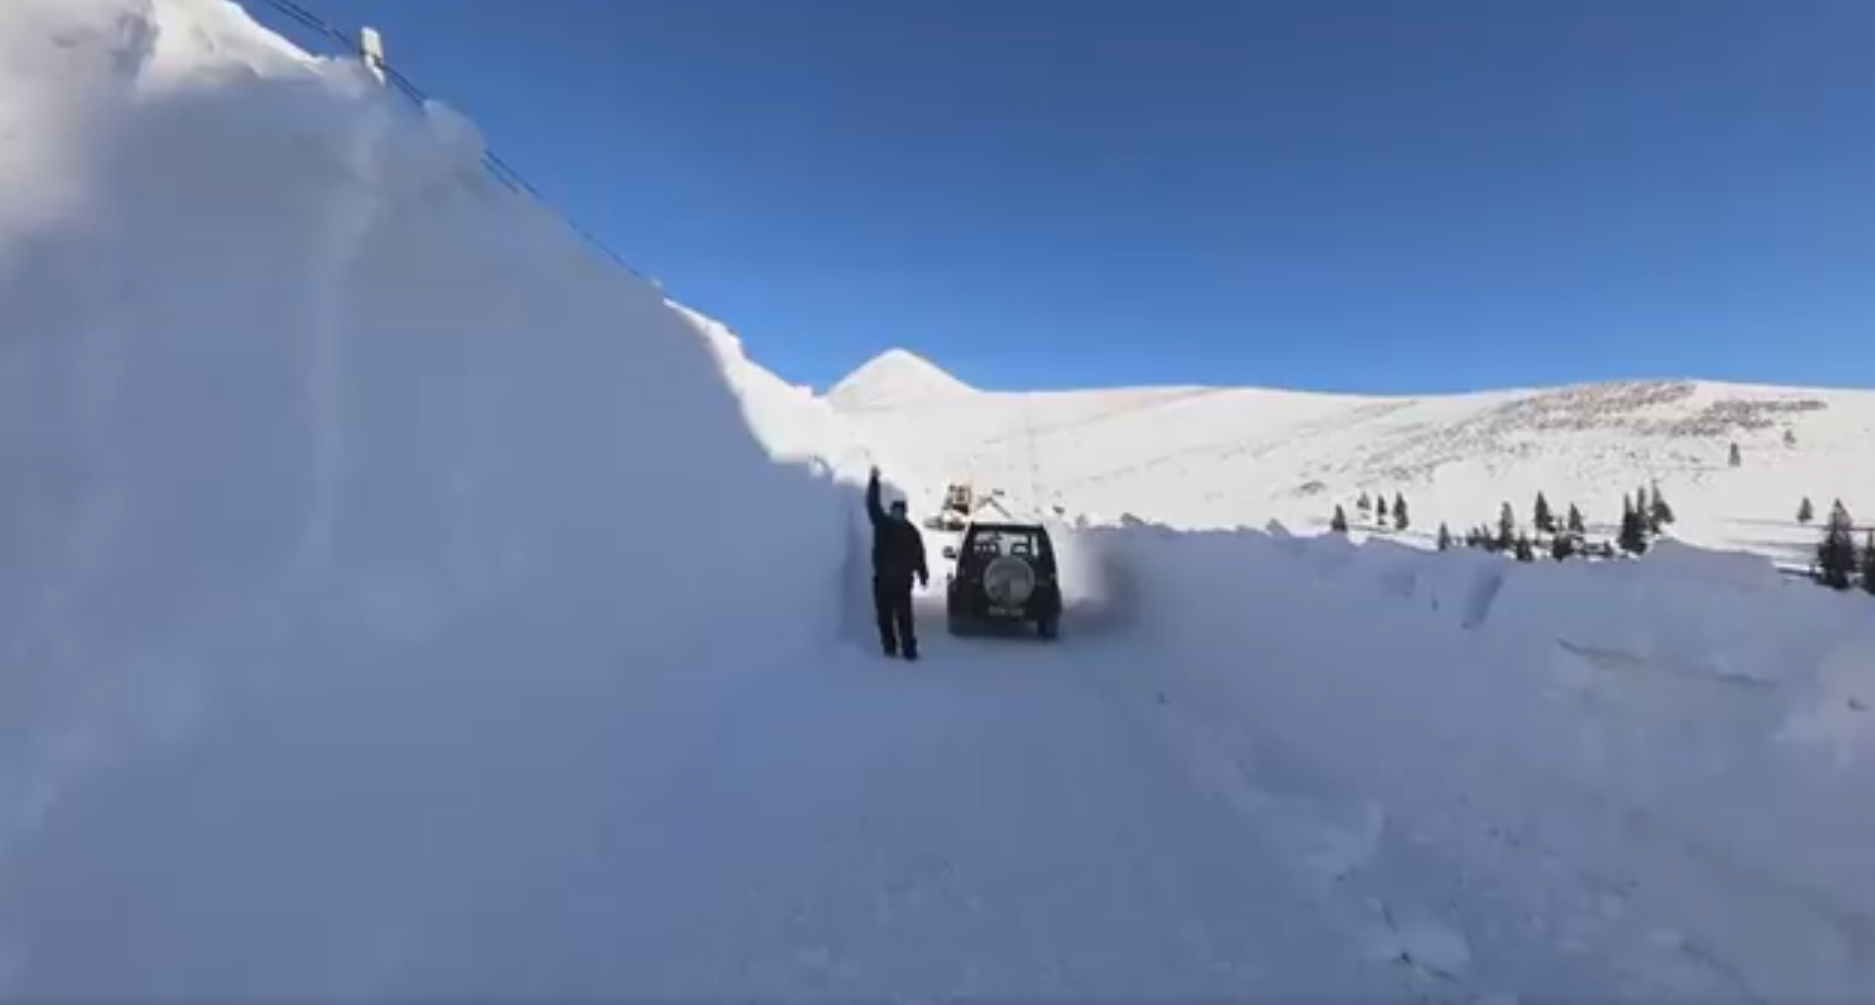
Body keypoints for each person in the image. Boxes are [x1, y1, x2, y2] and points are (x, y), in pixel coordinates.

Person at [865, 465, 929, 659]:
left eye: (900, 512)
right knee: (884, 617)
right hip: (883, 580)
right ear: (891, 511)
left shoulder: (911, 532)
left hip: (901, 582)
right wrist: (874, 481)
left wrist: (923, 573)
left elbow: (919, 554)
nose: (897, 515)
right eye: (895, 512)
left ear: (905, 513)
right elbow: (872, 505)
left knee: (904, 617)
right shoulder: (882, 524)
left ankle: (909, 648)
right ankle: (889, 647)